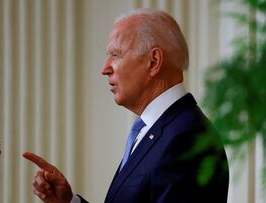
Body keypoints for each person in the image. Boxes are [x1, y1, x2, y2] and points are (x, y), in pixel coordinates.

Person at [23, 8, 229, 203]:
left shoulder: (186, 137)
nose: (105, 68)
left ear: (154, 61)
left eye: (115, 54)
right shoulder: (159, 129)